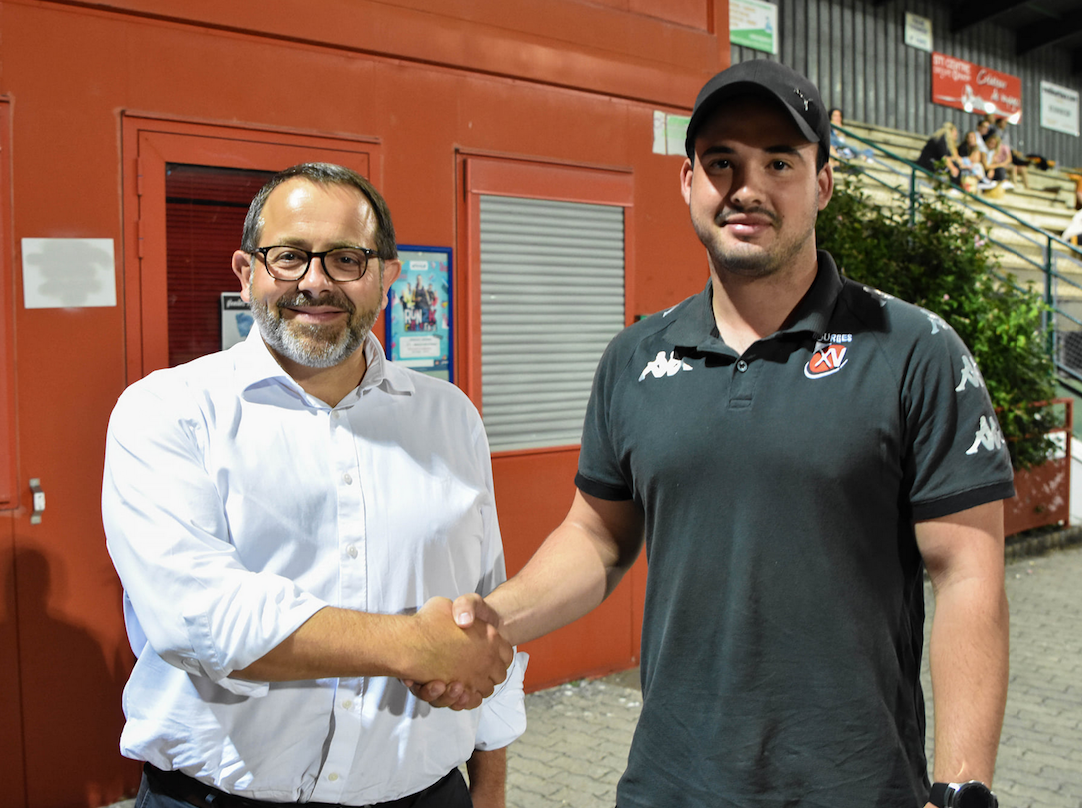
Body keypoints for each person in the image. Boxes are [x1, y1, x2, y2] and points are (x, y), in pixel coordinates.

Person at [427, 60, 1013, 808]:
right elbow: (598, 539)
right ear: (688, 184)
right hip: (671, 785)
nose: (748, 187)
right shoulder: (635, 359)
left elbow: (967, 573)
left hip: (857, 786)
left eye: (779, 161)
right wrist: (491, 619)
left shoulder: (913, 348)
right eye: (722, 163)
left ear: (823, 183)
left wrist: (962, 786)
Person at [102, 163, 525, 808]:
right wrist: (415, 646)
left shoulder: (450, 417)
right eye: (290, 257)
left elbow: (484, 604)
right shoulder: (167, 411)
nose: (316, 283)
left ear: (386, 276)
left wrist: (490, 781)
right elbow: (204, 620)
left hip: (426, 794)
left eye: (346, 259)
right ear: (247, 274)